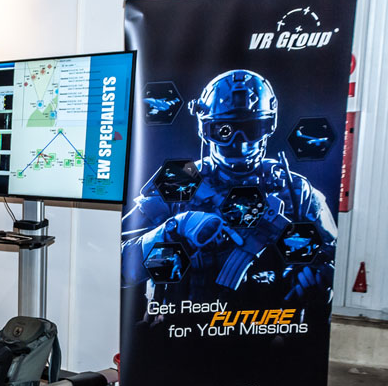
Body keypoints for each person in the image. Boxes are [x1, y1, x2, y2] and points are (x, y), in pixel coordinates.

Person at [121, 69, 336, 308]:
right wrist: (174, 229)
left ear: (269, 126)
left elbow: (330, 261)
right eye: (225, 131)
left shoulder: (296, 191)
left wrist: (318, 286)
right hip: (182, 319)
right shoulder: (179, 180)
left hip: (267, 323)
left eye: (252, 129)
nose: (240, 143)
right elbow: (119, 264)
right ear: (206, 130)